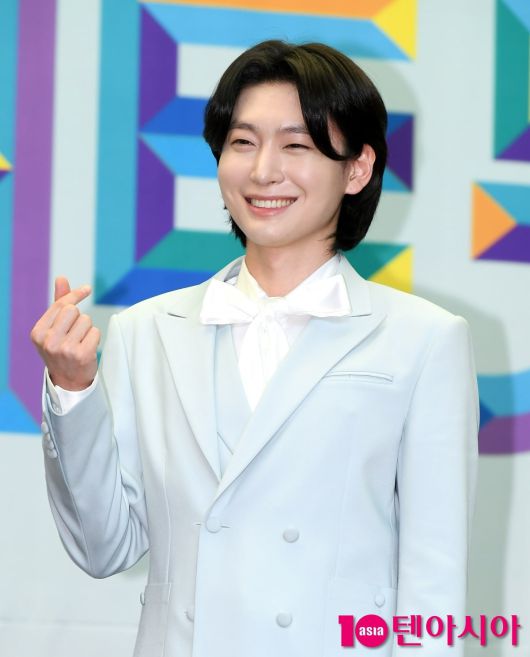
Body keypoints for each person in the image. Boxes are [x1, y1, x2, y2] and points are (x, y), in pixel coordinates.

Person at [31, 40, 479, 657]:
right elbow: (103, 548)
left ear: (357, 168)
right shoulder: (147, 330)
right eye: (243, 142)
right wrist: (72, 389)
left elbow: (435, 581)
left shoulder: (423, 340)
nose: (264, 171)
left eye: (296, 145)